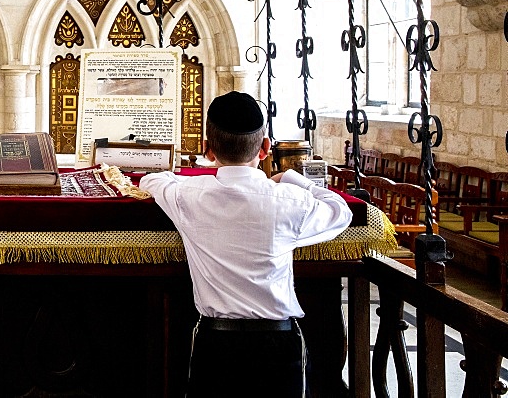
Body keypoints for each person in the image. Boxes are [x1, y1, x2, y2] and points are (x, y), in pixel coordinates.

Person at [139, 91, 352, 398]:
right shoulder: (289, 201)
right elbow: (339, 210)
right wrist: (290, 178)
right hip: (278, 344)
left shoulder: (189, 196)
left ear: (207, 150)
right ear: (265, 148)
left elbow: (155, 180)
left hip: (216, 345)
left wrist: (188, 180)